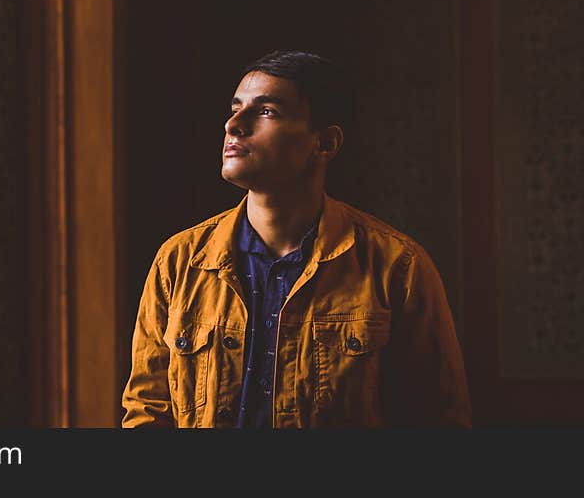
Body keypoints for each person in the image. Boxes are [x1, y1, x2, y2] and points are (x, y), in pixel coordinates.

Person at [121, 50, 471, 428]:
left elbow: (437, 417)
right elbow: (147, 411)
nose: (233, 125)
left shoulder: (395, 266)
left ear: (325, 143)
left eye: (266, 111)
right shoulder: (180, 260)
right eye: (235, 108)